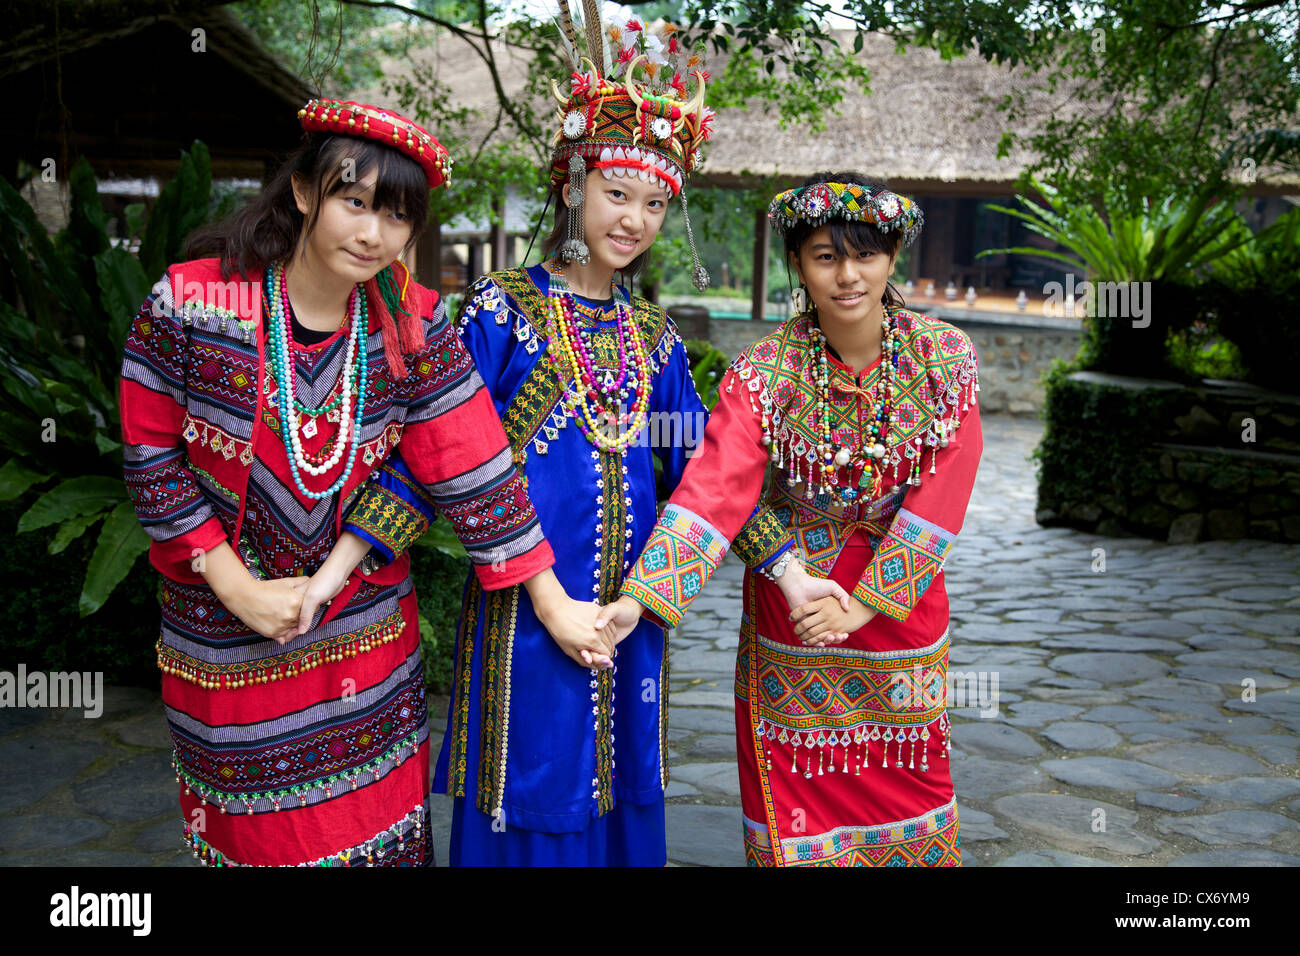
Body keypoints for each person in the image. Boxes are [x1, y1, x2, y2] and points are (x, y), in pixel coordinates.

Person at [336, 14, 849, 866]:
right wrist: (334, 573)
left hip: (632, 613)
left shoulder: (656, 339)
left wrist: (792, 578)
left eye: (655, 203)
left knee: (621, 781)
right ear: (575, 188)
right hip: (525, 608)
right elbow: (438, 459)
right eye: (618, 194)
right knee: (528, 780)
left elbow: (710, 477)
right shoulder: (500, 310)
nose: (635, 219)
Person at [119, 97, 614, 867]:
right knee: (255, 841)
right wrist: (238, 588)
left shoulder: (415, 326)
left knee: (373, 844)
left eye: (396, 217)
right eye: (354, 202)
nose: (371, 233)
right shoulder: (191, 303)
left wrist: (552, 603)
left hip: (364, 642)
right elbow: (151, 456)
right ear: (306, 192)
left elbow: (472, 465)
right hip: (221, 633)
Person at [599, 173, 983, 866]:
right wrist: (642, 600)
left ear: (893, 258)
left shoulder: (944, 361)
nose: (848, 275)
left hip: (899, 616)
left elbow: (942, 496)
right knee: (793, 816)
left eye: (865, 254)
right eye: (825, 256)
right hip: (797, 610)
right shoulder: (764, 372)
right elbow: (715, 485)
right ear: (799, 266)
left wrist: (862, 611)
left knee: (915, 794)